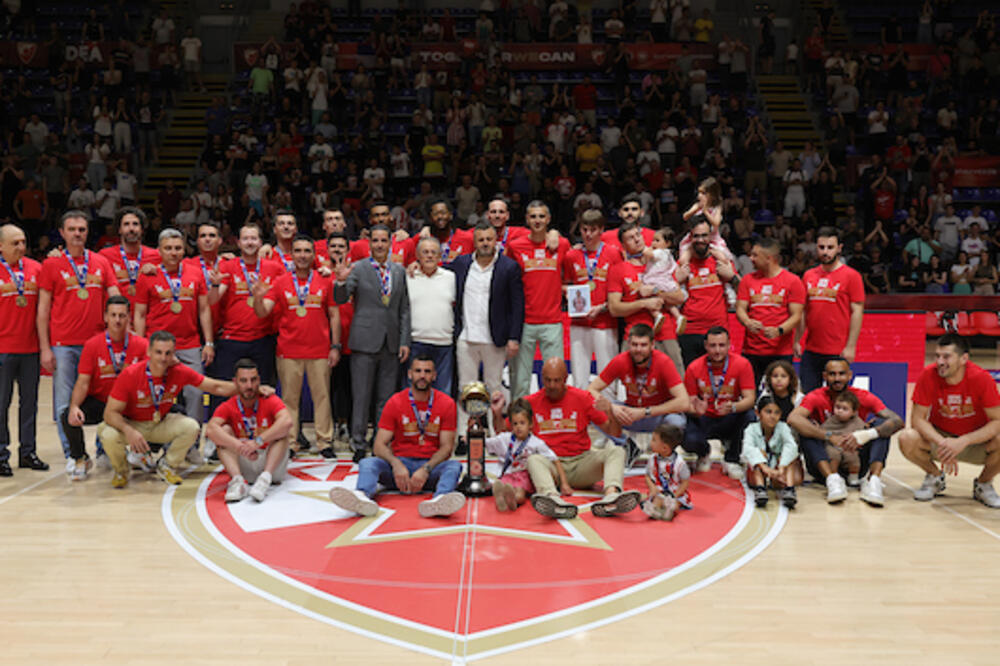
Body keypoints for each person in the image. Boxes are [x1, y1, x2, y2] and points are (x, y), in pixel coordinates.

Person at [493, 358, 642, 520]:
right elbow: (503, 431)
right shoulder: (530, 402)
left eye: (557, 380)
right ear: (542, 379)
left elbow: (614, 433)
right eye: (548, 380)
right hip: (551, 467)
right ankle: (551, 498)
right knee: (533, 459)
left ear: (565, 378)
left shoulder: (583, 398)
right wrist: (497, 413)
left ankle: (612, 497)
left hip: (581, 464)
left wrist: (610, 412)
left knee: (617, 451)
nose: (552, 385)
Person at [327, 355, 466, 518]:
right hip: (399, 469)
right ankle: (362, 496)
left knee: (454, 467)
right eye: (418, 371)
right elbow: (379, 445)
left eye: (427, 371)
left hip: (430, 468)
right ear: (409, 374)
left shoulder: (446, 403)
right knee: (368, 463)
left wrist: (426, 469)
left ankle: (440, 500)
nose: (422, 376)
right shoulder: (396, 402)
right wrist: (396, 464)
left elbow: (447, 447)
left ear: (434, 375)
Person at [97, 331, 237, 489]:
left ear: (174, 354)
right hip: (132, 424)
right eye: (158, 352)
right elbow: (110, 413)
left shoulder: (179, 371)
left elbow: (216, 387)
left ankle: (167, 465)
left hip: (159, 423)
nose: (163, 358)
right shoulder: (130, 374)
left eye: (168, 353)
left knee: (191, 427)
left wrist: (248, 388)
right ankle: (121, 471)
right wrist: (129, 431)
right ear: (149, 352)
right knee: (108, 434)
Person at [38, 210, 120, 471]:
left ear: (87, 232)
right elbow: (42, 310)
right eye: (72, 229)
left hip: (97, 343)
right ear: (62, 233)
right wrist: (45, 348)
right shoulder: (51, 265)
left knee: (104, 397)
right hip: (63, 344)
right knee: (65, 402)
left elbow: (115, 297)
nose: (77, 234)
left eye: (82, 229)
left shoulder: (101, 262)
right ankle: (73, 455)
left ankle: (104, 450)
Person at [252, 235, 340, 457]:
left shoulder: (325, 280)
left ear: (314, 255)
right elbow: (263, 312)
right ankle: (290, 443)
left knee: (322, 398)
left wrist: (335, 346)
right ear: (291, 255)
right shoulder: (280, 282)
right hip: (288, 350)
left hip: (320, 350)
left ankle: (324, 442)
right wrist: (258, 298)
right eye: (298, 251)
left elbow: (334, 315)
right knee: (289, 400)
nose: (302, 255)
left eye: (307, 251)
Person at [334, 224, 410, 461]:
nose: (379, 245)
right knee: (362, 396)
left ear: (390, 243)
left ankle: (380, 441)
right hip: (364, 342)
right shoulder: (358, 268)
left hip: (391, 343)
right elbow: (341, 298)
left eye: (383, 240)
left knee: (385, 399)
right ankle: (358, 443)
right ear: (369, 244)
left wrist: (404, 341)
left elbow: (404, 309)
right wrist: (340, 282)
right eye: (375, 240)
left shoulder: (399, 271)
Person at [899, 334, 1000, 508]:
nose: (940, 362)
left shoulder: (981, 378)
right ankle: (934, 476)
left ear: (964, 359)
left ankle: (983, 484)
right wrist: (943, 442)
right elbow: (917, 419)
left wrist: (964, 440)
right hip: (941, 438)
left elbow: (997, 421)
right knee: (907, 438)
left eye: (946, 357)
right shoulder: (928, 374)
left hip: (975, 440)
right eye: (937, 356)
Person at [787, 357, 903, 506]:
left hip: (856, 461)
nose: (837, 378)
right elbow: (793, 419)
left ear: (849, 375)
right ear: (824, 376)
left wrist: (866, 434)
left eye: (841, 374)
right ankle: (832, 480)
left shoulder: (862, 396)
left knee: (882, 426)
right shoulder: (816, 396)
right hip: (825, 460)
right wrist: (828, 436)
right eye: (832, 374)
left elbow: (898, 421)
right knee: (806, 427)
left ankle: (873, 482)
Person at [134, 228, 214, 438]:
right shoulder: (147, 276)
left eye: (178, 248)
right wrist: (141, 346)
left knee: (196, 394)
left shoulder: (195, 273)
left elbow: (204, 310)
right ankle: (153, 443)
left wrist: (209, 342)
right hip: (157, 347)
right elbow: (140, 314)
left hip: (190, 345)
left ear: (184, 250)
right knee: (156, 398)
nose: (173, 252)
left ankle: (192, 444)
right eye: (168, 248)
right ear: (159, 251)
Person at [62, 296, 148, 480]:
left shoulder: (142, 345)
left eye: (122, 315)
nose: (117, 320)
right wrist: (74, 406)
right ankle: (81, 458)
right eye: (113, 315)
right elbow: (83, 382)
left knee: (164, 411)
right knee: (67, 416)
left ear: (129, 317)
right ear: (105, 317)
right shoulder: (92, 345)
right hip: (101, 403)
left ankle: (142, 453)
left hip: (129, 406)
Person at [451, 222, 524, 435]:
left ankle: (494, 434)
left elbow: (517, 306)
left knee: (494, 389)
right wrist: (415, 265)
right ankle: (464, 435)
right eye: (481, 239)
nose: (485, 243)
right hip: (466, 337)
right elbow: (438, 272)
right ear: (474, 242)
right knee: (465, 388)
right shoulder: (461, 263)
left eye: (489, 239)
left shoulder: (509, 267)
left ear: (496, 241)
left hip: (495, 338)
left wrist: (514, 337)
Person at [587, 323, 690, 467]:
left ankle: (663, 456)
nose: (638, 349)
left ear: (652, 345)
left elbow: (684, 402)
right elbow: (591, 390)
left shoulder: (663, 362)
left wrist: (645, 412)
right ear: (629, 344)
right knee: (591, 409)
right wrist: (612, 407)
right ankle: (627, 445)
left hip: (657, 416)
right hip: (630, 414)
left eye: (643, 345)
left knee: (677, 422)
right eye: (635, 345)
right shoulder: (621, 360)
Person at [506, 201, 570, 401]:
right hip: (524, 322)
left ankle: (554, 414)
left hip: (552, 321)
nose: (537, 220)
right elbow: (509, 280)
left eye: (541, 216)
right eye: (533, 216)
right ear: (527, 219)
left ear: (548, 219)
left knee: (555, 376)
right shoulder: (515, 246)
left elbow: (570, 273)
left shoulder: (562, 244)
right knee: (520, 380)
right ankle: (519, 416)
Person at [205, 358, 292, 503]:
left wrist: (258, 442)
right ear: (235, 382)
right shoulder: (229, 405)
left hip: (271, 463)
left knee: (282, 432)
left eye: (253, 380)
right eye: (244, 381)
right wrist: (238, 446)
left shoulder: (269, 399)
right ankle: (238, 482)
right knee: (223, 431)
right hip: (244, 460)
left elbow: (287, 421)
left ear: (259, 381)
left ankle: (264, 480)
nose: (249, 386)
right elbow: (210, 430)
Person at [607, 222, 685, 374]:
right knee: (631, 385)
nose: (637, 239)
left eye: (638, 235)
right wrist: (644, 303)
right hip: (635, 336)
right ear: (623, 245)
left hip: (665, 334)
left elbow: (679, 298)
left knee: (675, 382)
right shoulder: (617, 270)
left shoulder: (661, 262)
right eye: (630, 238)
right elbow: (614, 309)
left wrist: (656, 291)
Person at [0, 224, 46, 476]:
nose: (21, 247)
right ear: (1, 246)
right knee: (1, 404)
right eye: (15, 243)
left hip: (30, 348)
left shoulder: (36, 268)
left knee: (30, 404)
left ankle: (28, 452)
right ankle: (1, 455)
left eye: (23, 242)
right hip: (2, 349)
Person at [795, 227, 865, 392]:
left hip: (838, 352)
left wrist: (851, 346)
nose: (825, 252)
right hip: (811, 350)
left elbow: (857, 312)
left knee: (838, 400)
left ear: (839, 248)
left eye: (830, 247)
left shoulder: (852, 276)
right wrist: (797, 340)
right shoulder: (808, 275)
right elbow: (803, 311)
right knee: (809, 398)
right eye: (821, 247)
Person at [214, 222, 283, 387]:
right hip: (232, 338)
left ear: (260, 243)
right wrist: (215, 285)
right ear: (238, 243)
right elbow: (213, 299)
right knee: (228, 388)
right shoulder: (227, 266)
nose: (249, 242)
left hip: (263, 339)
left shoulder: (275, 268)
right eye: (245, 239)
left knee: (263, 388)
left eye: (253, 238)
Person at [683, 326, 756, 478]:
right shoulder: (694, 367)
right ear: (705, 346)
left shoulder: (742, 364)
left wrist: (733, 407)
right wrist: (696, 410)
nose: (717, 350)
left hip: (729, 416)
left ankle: (732, 459)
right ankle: (703, 453)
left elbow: (750, 399)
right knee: (684, 433)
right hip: (704, 418)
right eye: (713, 345)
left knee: (750, 416)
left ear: (729, 345)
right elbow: (687, 403)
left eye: (722, 345)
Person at [562, 209, 621, 396]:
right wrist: (568, 294)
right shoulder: (572, 255)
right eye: (584, 229)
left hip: (605, 322)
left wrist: (602, 307)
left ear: (601, 229)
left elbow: (620, 289)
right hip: (579, 321)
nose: (588, 234)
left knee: (607, 376)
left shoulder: (613, 254)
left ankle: (608, 409)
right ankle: (580, 411)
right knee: (579, 377)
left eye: (593, 230)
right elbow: (565, 284)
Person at [735, 237, 805, 385]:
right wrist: (747, 322)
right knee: (749, 392)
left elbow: (797, 315)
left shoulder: (793, 281)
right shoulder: (747, 280)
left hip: (781, 351)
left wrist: (779, 330)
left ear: (769, 258)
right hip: (751, 350)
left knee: (781, 393)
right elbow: (740, 308)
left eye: (755, 255)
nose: (751, 258)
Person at [674, 218, 736, 366]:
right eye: (696, 236)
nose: (700, 240)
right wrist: (676, 280)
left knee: (719, 376)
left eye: (704, 235)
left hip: (717, 331)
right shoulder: (682, 265)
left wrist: (732, 277)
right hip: (689, 331)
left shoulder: (721, 262)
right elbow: (665, 296)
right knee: (691, 377)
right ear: (690, 238)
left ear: (710, 237)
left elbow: (744, 290)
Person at [487, 398, 562, 512]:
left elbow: (554, 458)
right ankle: (502, 499)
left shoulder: (536, 443)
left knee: (520, 493)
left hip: (524, 476)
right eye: (515, 424)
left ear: (530, 424)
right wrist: (470, 437)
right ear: (511, 425)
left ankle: (514, 501)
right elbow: (487, 442)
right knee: (502, 485)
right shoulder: (505, 438)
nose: (518, 427)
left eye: (522, 423)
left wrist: (564, 483)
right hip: (509, 474)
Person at [405, 236, 455, 394]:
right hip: (415, 342)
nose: (429, 256)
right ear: (417, 256)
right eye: (425, 252)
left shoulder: (451, 277)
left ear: (440, 256)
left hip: (444, 343)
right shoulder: (407, 277)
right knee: (412, 393)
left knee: (443, 393)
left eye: (434, 252)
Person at [742, 395, 802, 508]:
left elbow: (791, 446)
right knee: (757, 455)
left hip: (778, 469)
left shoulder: (783, 427)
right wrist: (764, 467)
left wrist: (782, 466)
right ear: (758, 413)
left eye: (777, 412)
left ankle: (789, 489)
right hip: (760, 470)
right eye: (768, 412)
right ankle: (760, 489)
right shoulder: (751, 429)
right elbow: (748, 449)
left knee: (790, 456)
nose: (772, 416)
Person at [97, 207, 161, 308]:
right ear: (119, 230)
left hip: (146, 314)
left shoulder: (156, 256)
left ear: (142, 229)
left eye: (135, 224)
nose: (131, 228)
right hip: (116, 315)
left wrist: (158, 272)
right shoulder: (104, 256)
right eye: (126, 224)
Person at [639, 228, 686, 335]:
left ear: (667, 243)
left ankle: (657, 315)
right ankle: (678, 317)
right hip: (667, 282)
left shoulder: (660, 252)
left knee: (649, 299)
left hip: (655, 281)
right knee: (668, 304)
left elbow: (646, 253)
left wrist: (646, 248)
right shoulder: (669, 255)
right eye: (653, 240)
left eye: (657, 240)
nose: (653, 243)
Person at [641, 423, 691, 521]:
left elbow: (685, 482)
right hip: (659, 491)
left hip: (675, 493)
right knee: (657, 500)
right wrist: (652, 488)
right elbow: (647, 476)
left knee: (675, 504)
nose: (651, 442)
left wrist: (675, 495)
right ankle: (654, 510)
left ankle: (669, 511)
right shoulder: (652, 459)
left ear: (664, 448)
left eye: (654, 440)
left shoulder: (680, 463)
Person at [819, 391, 868, 487]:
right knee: (833, 455)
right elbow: (823, 431)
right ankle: (834, 476)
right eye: (837, 407)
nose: (840, 411)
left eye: (845, 409)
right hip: (833, 445)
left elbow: (863, 431)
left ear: (854, 412)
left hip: (849, 446)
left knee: (853, 458)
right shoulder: (831, 420)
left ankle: (853, 477)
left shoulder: (857, 421)